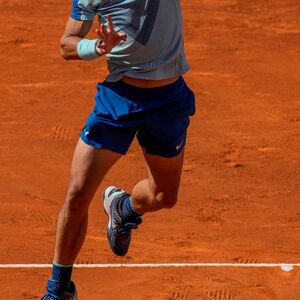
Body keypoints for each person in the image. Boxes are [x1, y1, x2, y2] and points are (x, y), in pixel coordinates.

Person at [42, 1, 194, 299]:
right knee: (76, 195)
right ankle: (58, 290)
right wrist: (98, 46)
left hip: (168, 101)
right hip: (118, 99)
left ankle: (124, 209)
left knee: (164, 197)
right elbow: (66, 45)